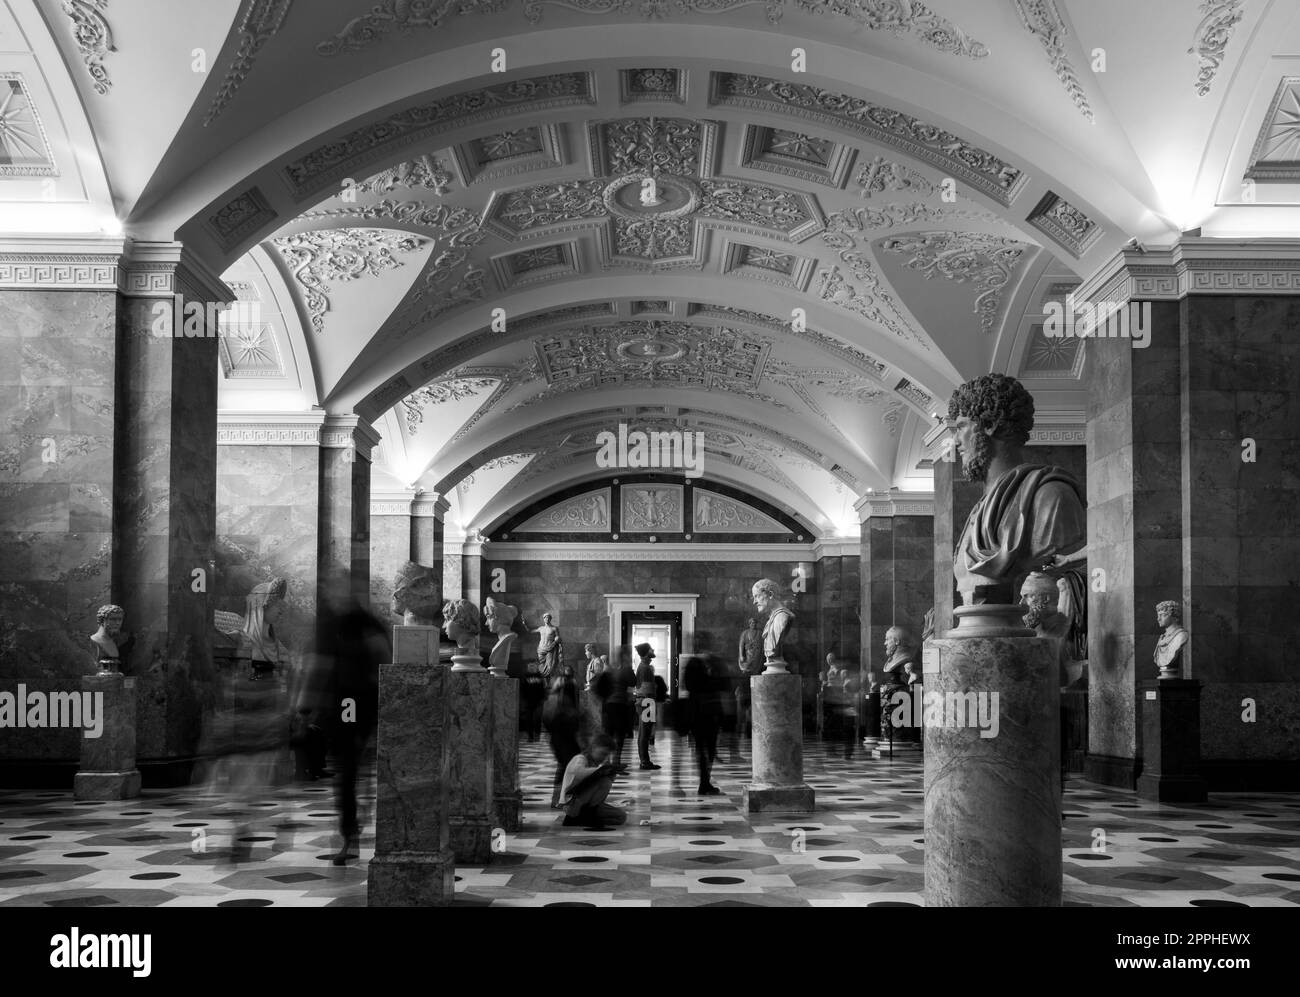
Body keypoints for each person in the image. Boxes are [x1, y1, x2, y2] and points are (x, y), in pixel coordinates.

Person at [315, 570, 391, 865]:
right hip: (339, 703)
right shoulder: (329, 624)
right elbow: (318, 663)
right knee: (345, 771)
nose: (335, 594)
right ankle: (350, 831)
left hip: (360, 702)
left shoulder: (367, 623)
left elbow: (383, 659)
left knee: (351, 768)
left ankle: (356, 826)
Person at [559, 734, 626, 827]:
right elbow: (578, 772)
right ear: (593, 747)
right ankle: (574, 817)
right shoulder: (580, 758)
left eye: (607, 755)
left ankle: (584, 818)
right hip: (572, 802)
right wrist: (600, 770)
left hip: (588, 805)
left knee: (621, 817)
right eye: (603, 753)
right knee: (605, 782)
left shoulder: (594, 763)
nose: (604, 758)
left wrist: (611, 774)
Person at [683, 653, 722, 795]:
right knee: (708, 750)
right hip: (706, 714)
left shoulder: (693, 665)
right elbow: (713, 686)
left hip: (697, 714)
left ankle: (704, 782)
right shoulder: (700, 667)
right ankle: (704, 783)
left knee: (702, 750)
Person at [543, 670, 582, 808]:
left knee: (565, 766)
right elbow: (571, 719)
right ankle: (561, 798)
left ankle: (560, 797)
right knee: (567, 766)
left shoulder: (552, 698)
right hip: (564, 737)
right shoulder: (563, 699)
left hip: (557, 737)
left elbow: (547, 721)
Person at [595, 646, 635, 771]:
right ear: (625, 656)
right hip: (619, 705)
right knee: (620, 735)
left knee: (609, 733)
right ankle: (615, 761)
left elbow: (599, 687)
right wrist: (628, 666)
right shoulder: (624, 670)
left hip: (608, 705)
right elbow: (634, 681)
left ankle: (607, 762)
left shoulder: (609, 670)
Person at [633, 643, 661, 770]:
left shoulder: (644, 667)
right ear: (645, 654)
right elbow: (647, 688)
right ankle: (644, 761)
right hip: (646, 702)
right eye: (650, 651)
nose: (653, 651)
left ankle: (645, 760)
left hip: (646, 702)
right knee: (645, 733)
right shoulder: (645, 668)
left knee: (644, 732)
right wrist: (652, 704)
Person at [520, 659, 547, 742]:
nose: (532, 667)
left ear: (536, 666)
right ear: (528, 667)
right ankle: (530, 737)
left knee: (537, 718)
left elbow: (543, 689)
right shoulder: (525, 676)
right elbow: (522, 689)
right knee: (529, 719)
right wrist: (523, 700)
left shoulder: (540, 676)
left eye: (533, 666)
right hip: (528, 702)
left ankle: (537, 735)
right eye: (530, 666)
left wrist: (543, 699)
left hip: (538, 702)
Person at [533, 612, 563, 677]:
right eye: (545, 618)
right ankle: (544, 681)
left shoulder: (554, 628)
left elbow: (559, 639)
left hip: (550, 648)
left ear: (550, 619)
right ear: (543, 619)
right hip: (541, 649)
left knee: (550, 667)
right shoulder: (541, 628)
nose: (547, 619)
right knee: (542, 665)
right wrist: (524, 625)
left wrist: (557, 641)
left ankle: (548, 682)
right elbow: (530, 631)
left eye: (548, 618)